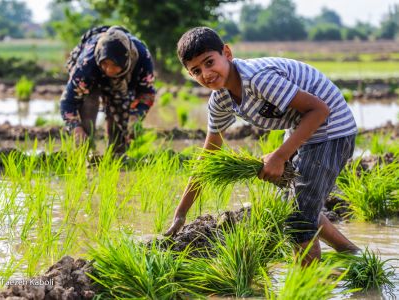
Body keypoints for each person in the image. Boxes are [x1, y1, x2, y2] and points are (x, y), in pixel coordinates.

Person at [164, 27, 360, 265]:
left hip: (332, 128)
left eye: (209, 62)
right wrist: (181, 214)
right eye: (196, 71)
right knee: (297, 205)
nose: (206, 74)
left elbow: (320, 110)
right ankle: (351, 254)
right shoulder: (220, 100)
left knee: (298, 220)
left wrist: (279, 155)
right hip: (304, 127)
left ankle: (307, 288)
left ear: (227, 53)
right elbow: (208, 157)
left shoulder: (257, 79)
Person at [60, 25, 156, 155]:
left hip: (123, 84)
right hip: (93, 79)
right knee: (88, 113)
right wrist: (76, 128)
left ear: (125, 60)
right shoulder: (87, 65)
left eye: (115, 64)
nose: (109, 70)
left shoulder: (142, 58)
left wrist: (135, 117)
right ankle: (84, 156)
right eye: (105, 63)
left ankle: (116, 159)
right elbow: (68, 101)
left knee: (121, 129)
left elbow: (147, 94)